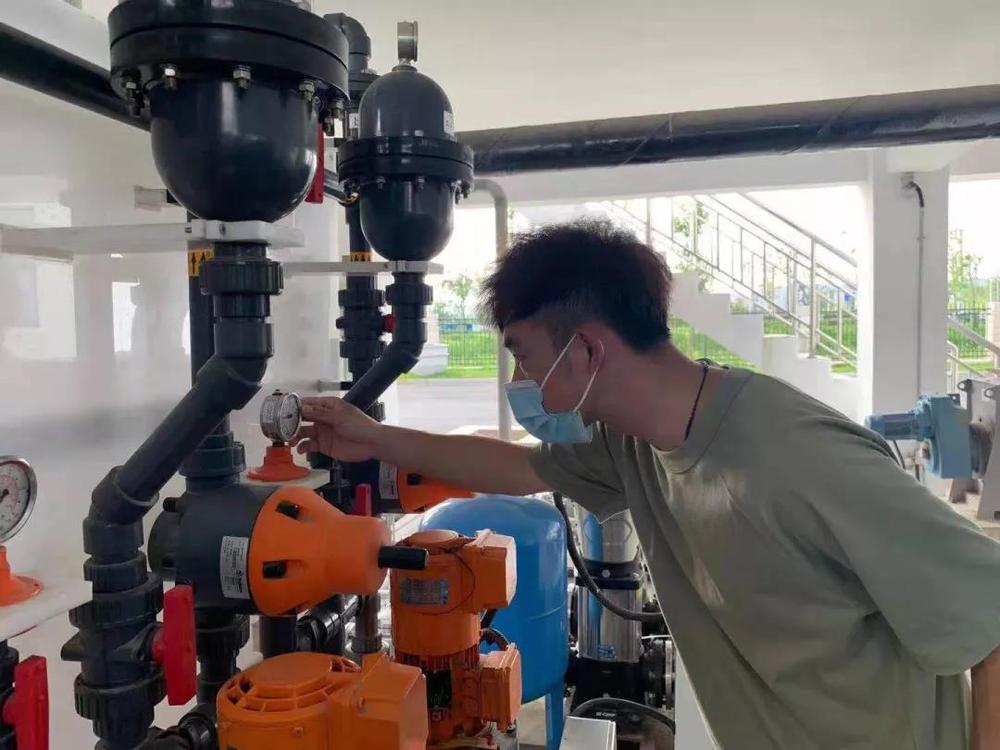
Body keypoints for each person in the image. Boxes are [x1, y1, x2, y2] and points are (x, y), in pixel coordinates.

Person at [295, 219, 1000, 750]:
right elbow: (517, 467)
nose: (520, 382)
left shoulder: (798, 455)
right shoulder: (632, 443)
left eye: (524, 356)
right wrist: (374, 436)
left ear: (587, 349)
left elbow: (993, 622)